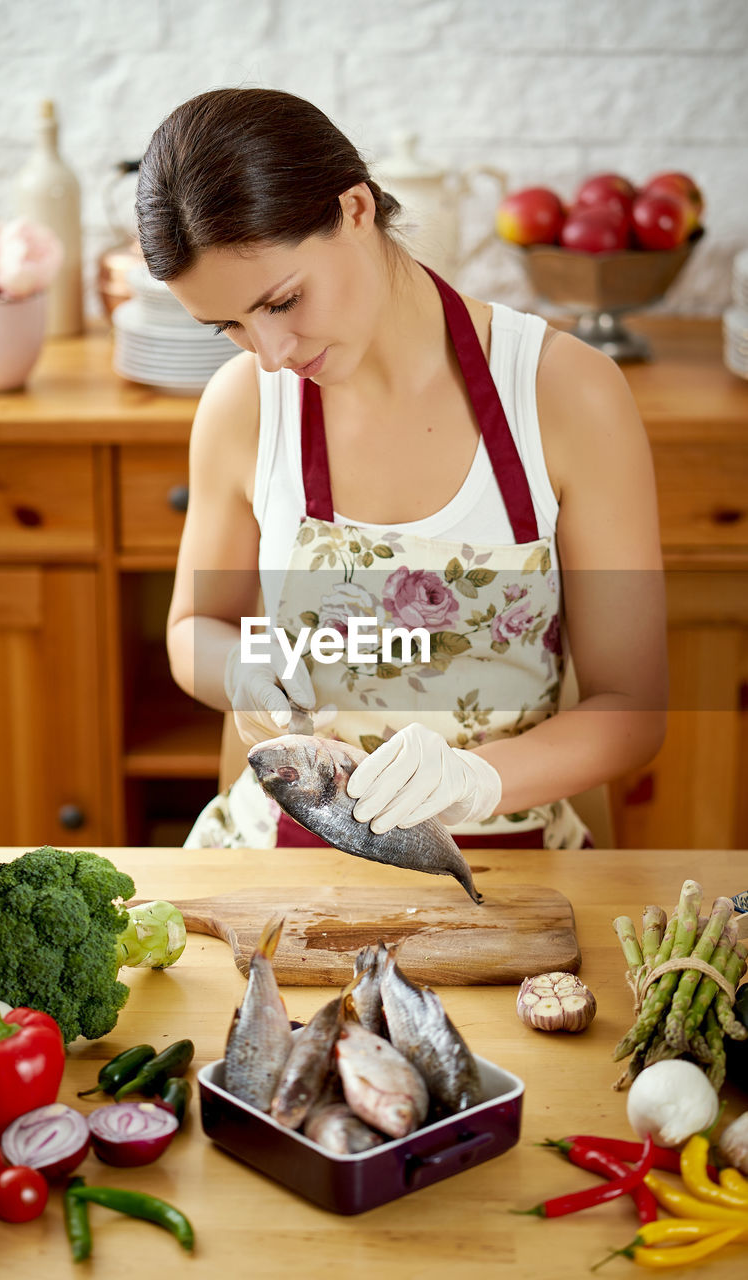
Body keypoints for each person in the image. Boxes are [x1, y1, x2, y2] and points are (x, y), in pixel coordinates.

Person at [135, 87, 667, 851]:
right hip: (278, 860)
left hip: (507, 867)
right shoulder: (243, 404)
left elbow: (633, 709)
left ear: (355, 208)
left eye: (282, 301)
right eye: (228, 326)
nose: (272, 353)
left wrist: (476, 780)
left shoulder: (562, 394)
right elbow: (193, 629)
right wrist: (243, 670)